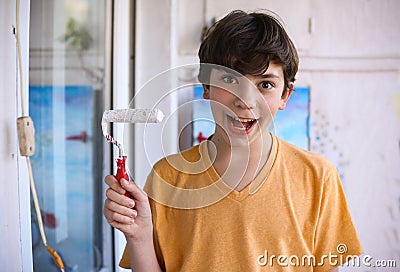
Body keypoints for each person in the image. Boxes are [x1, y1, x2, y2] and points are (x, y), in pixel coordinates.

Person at [103, 10, 362, 271]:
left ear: (285, 95)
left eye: (265, 85)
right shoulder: (167, 178)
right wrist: (139, 235)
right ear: (205, 87)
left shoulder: (318, 177)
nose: (245, 101)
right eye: (229, 80)